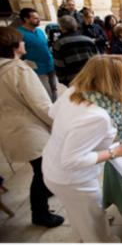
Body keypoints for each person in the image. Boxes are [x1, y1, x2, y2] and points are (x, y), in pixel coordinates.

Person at [42, 55, 122, 242]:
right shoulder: (97, 116)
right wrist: (115, 152)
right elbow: (71, 160)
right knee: (93, 225)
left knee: (79, 214)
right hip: (71, 179)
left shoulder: (75, 91)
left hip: (52, 166)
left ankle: (88, 227)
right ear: (109, 81)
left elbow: (52, 112)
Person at [0, 27, 64, 227]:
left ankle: (46, 190)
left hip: (10, 128)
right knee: (42, 170)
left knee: (40, 168)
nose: (24, 43)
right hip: (27, 129)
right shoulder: (18, 70)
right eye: (21, 41)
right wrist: (59, 124)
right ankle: (40, 213)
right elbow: (41, 105)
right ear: (14, 46)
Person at [17, 8, 58, 101]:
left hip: (50, 64)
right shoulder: (19, 33)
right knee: (45, 91)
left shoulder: (39, 31)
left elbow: (45, 45)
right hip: (36, 68)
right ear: (26, 19)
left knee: (54, 89)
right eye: (35, 18)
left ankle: (56, 106)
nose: (39, 20)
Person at [53, 15, 99, 86]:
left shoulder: (59, 44)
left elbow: (59, 66)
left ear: (61, 27)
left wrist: (63, 80)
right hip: (91, 77)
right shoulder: (88, 40)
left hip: (73, 80)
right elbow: (98, 60)